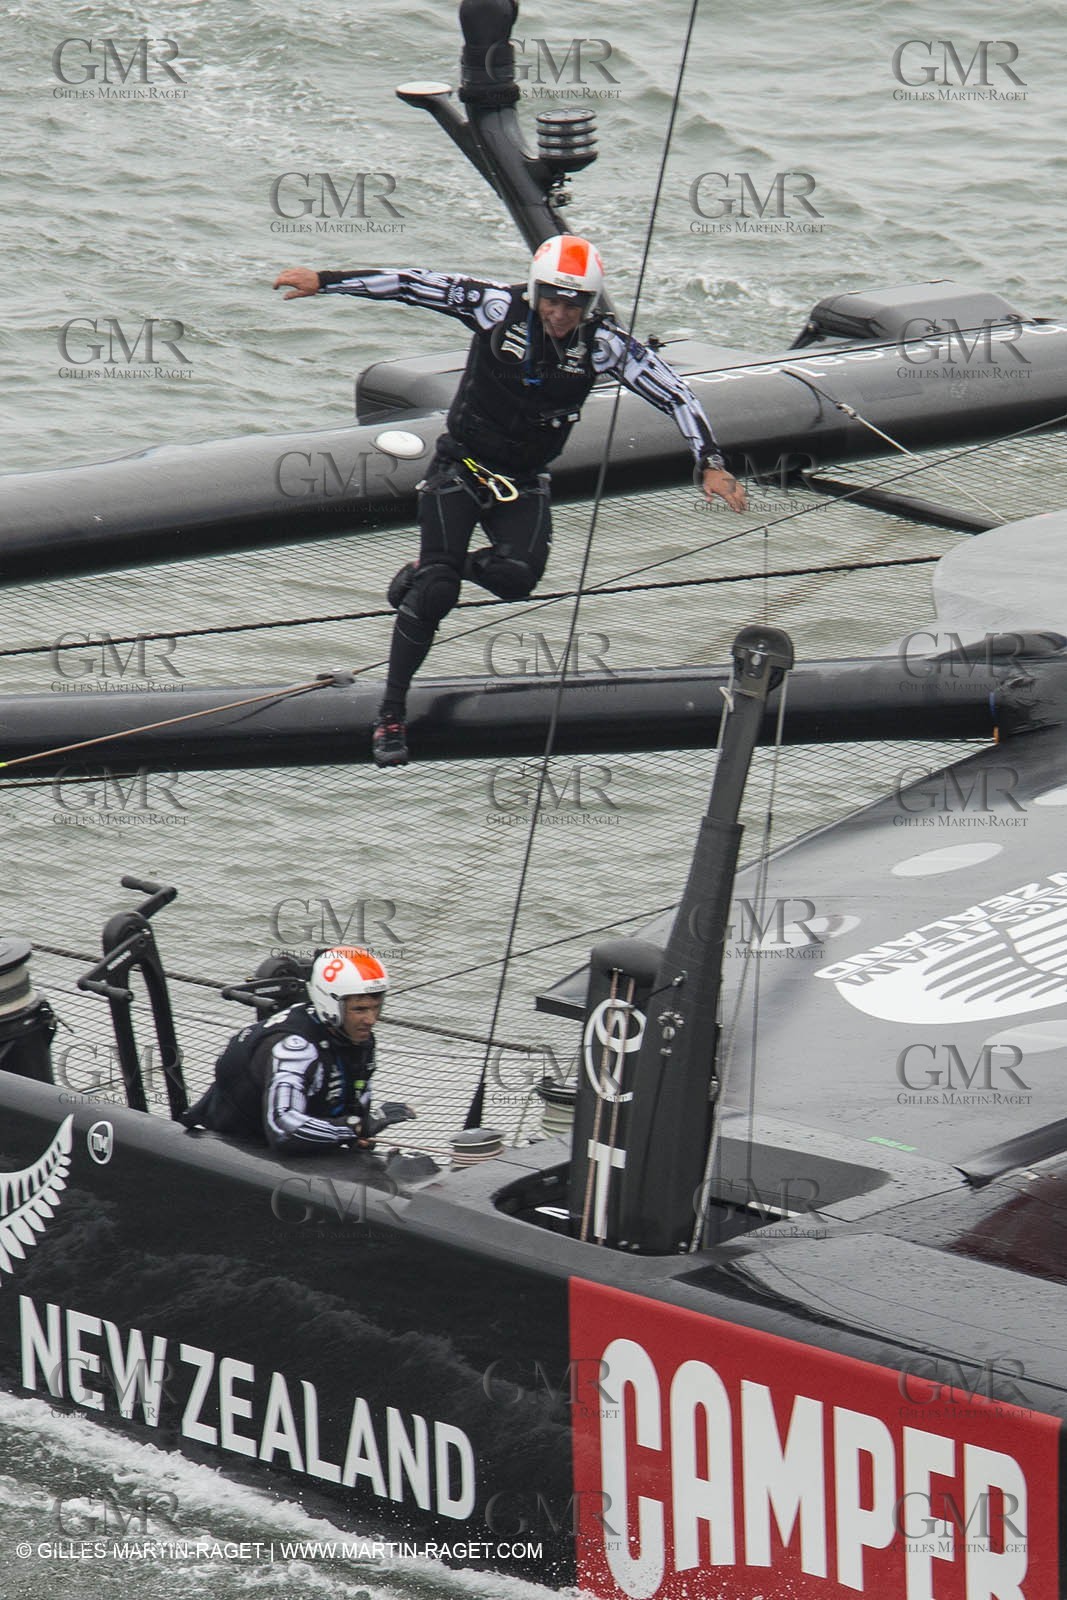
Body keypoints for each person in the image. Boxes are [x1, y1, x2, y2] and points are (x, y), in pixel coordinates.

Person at [274, 235, 748, 768]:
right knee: (438, 592)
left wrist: (710, 461)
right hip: (461, 467)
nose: (561, 313)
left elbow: (676, 393)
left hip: (522, 480)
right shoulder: (495, 306)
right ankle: (390, 711)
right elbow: (411, 284)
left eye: (575, 304)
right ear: (534, 289)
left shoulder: (601, 344)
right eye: (551, 299)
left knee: (517, 578)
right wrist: (327, 281)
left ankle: (426, 569)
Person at [182, 947, 392, 1153]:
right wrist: (354, 1128)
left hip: (281, 1145)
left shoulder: (357, 1038)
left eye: (376, 1008)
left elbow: (356, 1109)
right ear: (330, 1003)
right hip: (223, 1146)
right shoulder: (295, 1048)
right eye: (360, 1009)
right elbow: (283, 1129)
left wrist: (358, 1134)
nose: (371, 1020)